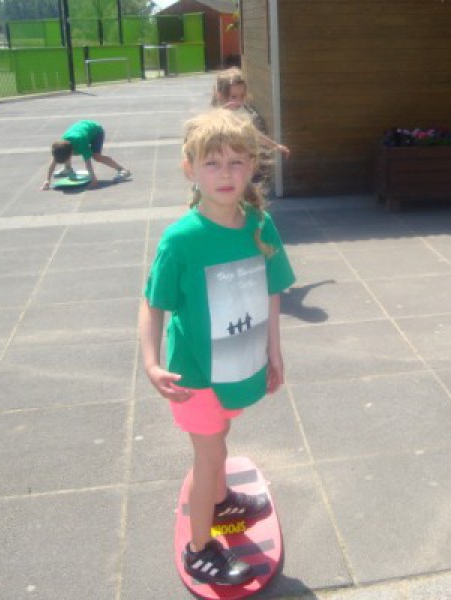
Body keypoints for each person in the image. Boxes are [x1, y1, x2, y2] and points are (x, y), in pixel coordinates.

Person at [138, 109, 295, 585]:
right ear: (190, 169)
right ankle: (200, 549)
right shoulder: (182, 239)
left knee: (221, 442)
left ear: (252, 167)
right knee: (208, 455)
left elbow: (271, 288)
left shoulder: (258, 224)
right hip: (196, 375)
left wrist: (273, 351)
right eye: (212, 163)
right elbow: (153, 304)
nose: (225, 174)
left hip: (238, 366)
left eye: (236, 162)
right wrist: (151, 363)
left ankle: (221, 497)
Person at [211, 67, 290, 159]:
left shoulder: (242, 112)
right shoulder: (215, 118)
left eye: (242, 96)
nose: (239, 101)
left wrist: (274, 146)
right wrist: (221, 114)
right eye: (234, 97)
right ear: (220, 95)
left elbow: (253, 133)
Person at [41, 120, 130, 190]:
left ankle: (122, 170)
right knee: (64, 155)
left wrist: (93, 178)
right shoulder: (61, 145)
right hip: (82, 129)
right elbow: (53, 163)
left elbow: (88, 163)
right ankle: (68, 169)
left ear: (72, 153)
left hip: (96, 130)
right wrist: (47, 180)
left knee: (96, 157)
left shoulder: (81, 143)